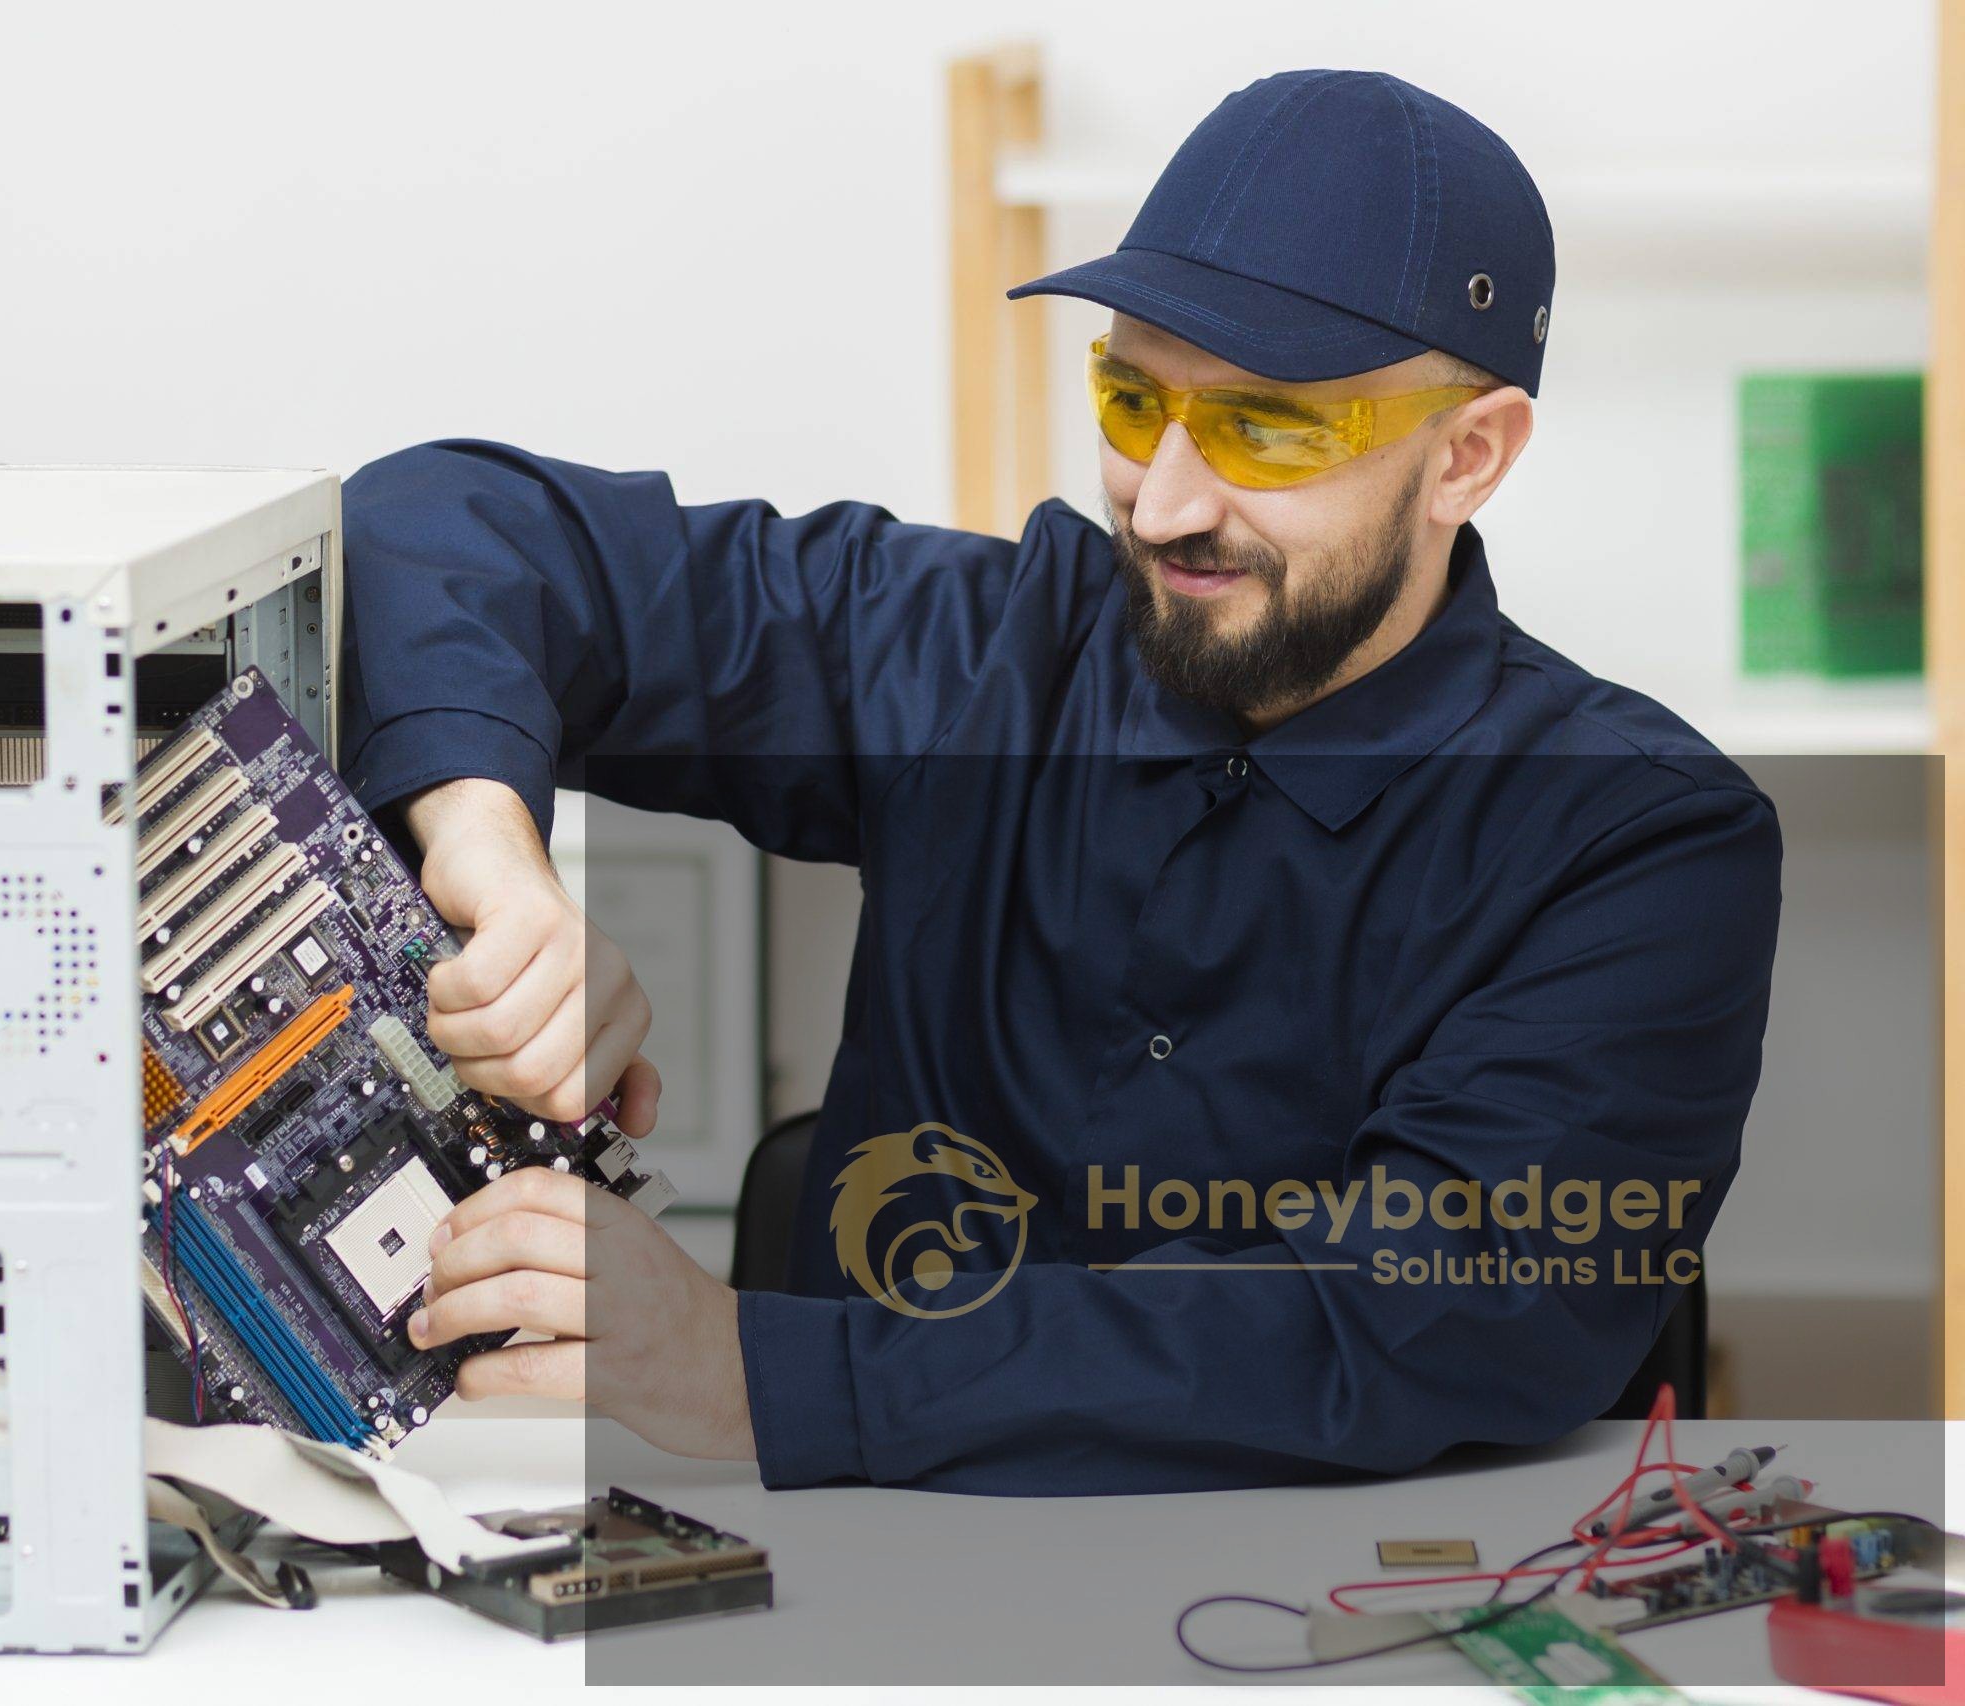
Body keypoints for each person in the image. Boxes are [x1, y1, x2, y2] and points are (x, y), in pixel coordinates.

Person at [335, 70, 1783, 1494]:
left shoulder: (1642, 842)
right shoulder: (967, 652)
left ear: (1468, 455)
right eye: (1132, 394)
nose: (1162, 499)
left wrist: (751, 1372)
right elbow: (444, 525)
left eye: (1267, 428)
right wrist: (492, 856)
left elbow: (1414, 1311)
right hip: (855, 1601)